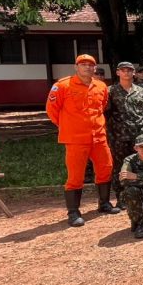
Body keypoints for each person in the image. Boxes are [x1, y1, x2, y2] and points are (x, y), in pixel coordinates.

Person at [46, 54, 112, 227]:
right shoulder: (62, 85)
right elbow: (52, 110)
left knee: (106, 168)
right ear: (76, 67)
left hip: (98, 136)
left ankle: (104, 203)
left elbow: (102, 106)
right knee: (76, 175)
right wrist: (68, 126)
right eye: (83, 64)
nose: (87, 67)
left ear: (95, 68)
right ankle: (73, 212)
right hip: (75, 139)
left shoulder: (101, 86)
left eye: (90, 65)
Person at [103, 61, 143, 212]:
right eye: (123, 70)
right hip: (118, 136)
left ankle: (142, 195)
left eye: (129, 70)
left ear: (134, 73)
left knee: (140, 164)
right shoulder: (110, 91)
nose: (126, 73)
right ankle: (122, 197)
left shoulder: (141, 91)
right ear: (118, 72)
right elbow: (105, 113)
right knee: (120, 167)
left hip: (138, 136)